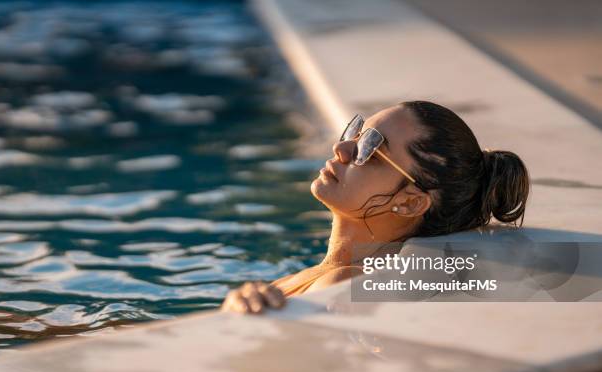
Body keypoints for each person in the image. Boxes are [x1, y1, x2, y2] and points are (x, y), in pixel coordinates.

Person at [221, 101, 529, 313]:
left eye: (370, 149)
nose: (341, 149)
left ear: (410, 202)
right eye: (356, 133)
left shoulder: (343, 283)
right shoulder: (329, 272)